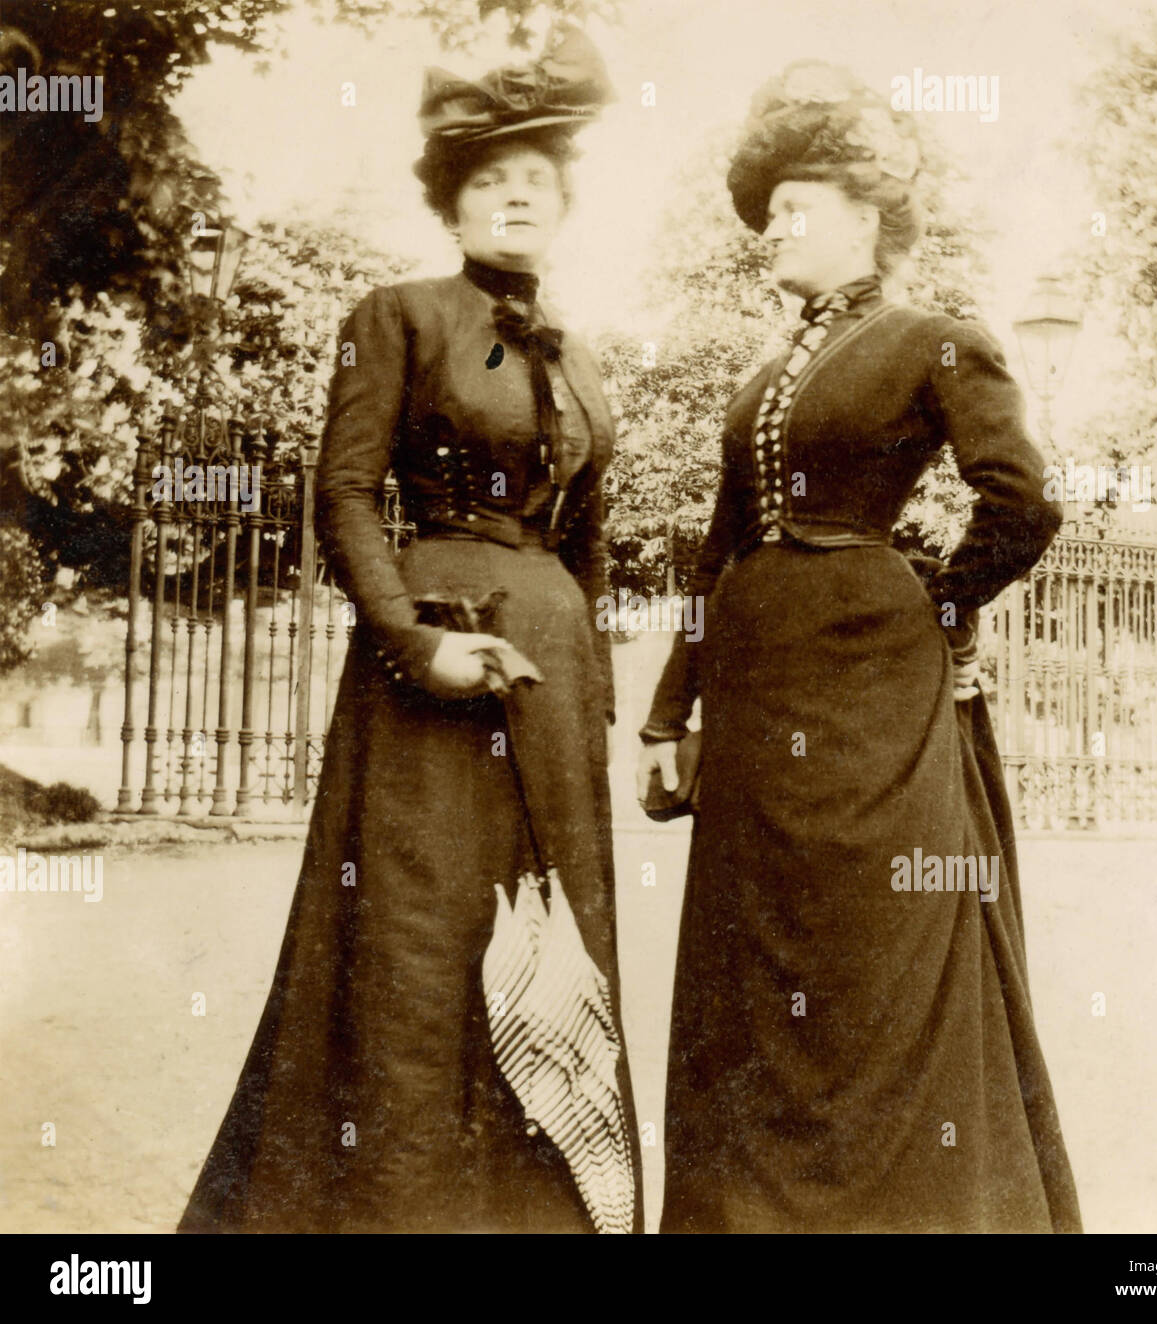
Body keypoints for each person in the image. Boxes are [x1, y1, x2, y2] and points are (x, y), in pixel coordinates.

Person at [180, 25, 642, 1234]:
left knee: (557, 938)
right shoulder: (399, 315)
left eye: (538, 184)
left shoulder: (580, 356)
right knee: (425, 937)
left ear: (563, 207)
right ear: (454, 202)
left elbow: (586, 534)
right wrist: (415, 642)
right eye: (492, 182)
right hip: (435, 658)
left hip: (548, 681)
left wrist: (592, 690)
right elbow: (340, 494)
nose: (518, 198)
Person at [637, 60, 1082, 1234]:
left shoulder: (936, 340)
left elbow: (1022, 500)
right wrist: (664, 714)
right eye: (768, 207)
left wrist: (939, 606)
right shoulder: (759, 381)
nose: (773, 226)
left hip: (869, 698)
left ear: (866, 220)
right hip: (751, 694)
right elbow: (717, 548)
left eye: (797, 206)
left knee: (864, 951)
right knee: (755, 964)